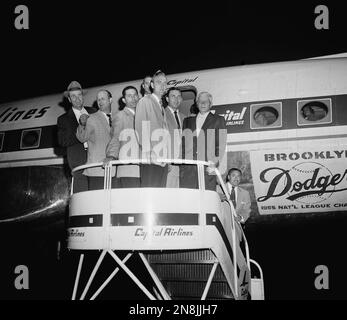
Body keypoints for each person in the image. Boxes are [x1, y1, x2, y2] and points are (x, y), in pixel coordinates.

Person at [180, 91, 227, 191]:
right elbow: (183, 145)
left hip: (207, 168)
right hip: (188, 171)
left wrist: (214, 163)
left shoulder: (218, 120)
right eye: (200, 101)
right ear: (197, 104)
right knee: (189, 201)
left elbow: (221, 144)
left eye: (206, 101)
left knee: (207, 201)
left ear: (211, 104)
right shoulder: (187, 121)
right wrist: (183, 166)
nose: (203, 103)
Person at [57, 81, 97, 193]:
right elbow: (62, 141)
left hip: (96, 160)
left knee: (98, 195)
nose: (77, 98)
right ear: (69, 99)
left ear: (82, 96)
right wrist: (82, 128)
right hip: (79, 163)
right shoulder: (63, 119)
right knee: (82, 198)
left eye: (79, 95)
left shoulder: (94, 112)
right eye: (73, 96)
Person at [135, 70, 169, 187]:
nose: (163, 86)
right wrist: (149, 153)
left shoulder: (162, 106)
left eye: (165, 83)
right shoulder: (145, 101)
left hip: (162, 160)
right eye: (159, 82)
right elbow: (140, 129)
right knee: (149, 195)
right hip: (150, 159)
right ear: (152, 85)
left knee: (160, 196)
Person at [76, 89, 114, 190]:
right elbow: (82, 138)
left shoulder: (117, 117)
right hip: (97, 170)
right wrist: (82, 124)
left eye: (103, 99)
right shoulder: (92, 118)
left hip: (115, 170)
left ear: (110, 100)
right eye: (98, 100)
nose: (100, 102)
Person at [104, 86, 140, 188]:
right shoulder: (120, 116)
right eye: (129, 96)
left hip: (142, 167)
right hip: (128, 169)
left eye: (135, 95)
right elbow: (115, 137)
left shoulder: (142, 115)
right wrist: (111, 156)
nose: (133, 98)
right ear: (124, 100)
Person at [164, 87, 186, 188]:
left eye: (178, 96)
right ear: (167, 99)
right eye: (173, 96)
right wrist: (165, 161)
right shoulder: (161, 115)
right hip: (169, 165)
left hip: (183, 165)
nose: (176, 99)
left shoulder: (184, 117)